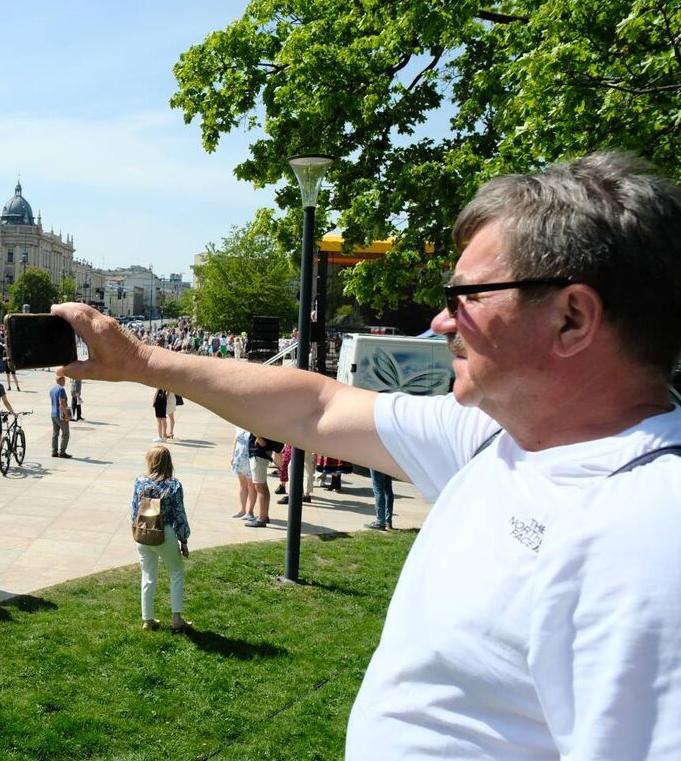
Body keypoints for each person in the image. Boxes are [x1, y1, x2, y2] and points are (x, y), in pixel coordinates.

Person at [54, 153, 681, 758]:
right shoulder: (495, 438)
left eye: (465, 296)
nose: (441, 321)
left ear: (572, 318)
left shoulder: (647, 539)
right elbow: (316, 409)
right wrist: (141, 362)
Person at [130, 445, 191, 632]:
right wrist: (184, 540)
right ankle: (176, 618)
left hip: (143, 533)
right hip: (165, 533)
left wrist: (136, 529)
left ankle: (147, 620)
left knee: (148, 575)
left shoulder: (140, 482)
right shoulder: (174, 485)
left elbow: (134, 510)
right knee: (176, 572)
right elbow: (180, 514)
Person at [50, 374, 72, 459]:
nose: (65, 382)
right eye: (64, 380)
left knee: (55, 434)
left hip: (53, 414)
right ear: (61, 380)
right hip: (60, 415)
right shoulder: (61, 389)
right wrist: (66, 415)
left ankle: (54, 451)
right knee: (65, 433)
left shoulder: (52, 389)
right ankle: (62, 452)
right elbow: (61, 404)